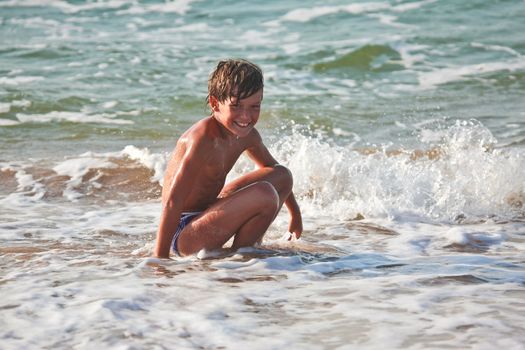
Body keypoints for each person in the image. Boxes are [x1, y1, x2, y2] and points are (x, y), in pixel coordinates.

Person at [153, 59, 303, 258]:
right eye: (236, 106)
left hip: (210, 211)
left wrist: (295, 215)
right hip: (184, 232)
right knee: (264, 193)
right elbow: (173, 201)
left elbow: (271, 169)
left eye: (254, 107)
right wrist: (160, 259)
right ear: (215, 104)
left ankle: (244, 251)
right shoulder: (202, 139)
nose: (246, 116)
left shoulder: (247, 135)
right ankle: (242, 255)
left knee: (282, 174)